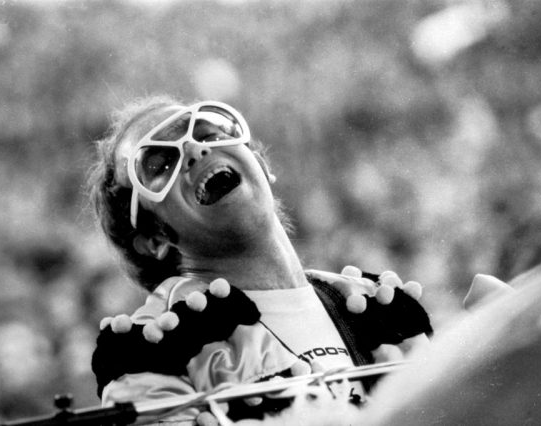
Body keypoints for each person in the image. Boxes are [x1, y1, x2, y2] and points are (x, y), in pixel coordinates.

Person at [87, 96, 432, 424]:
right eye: (159, 163)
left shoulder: (382, 307)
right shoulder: (149, 351)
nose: (194, 148)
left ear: (262, 165)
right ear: (153, 240)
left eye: (209, 132)